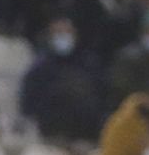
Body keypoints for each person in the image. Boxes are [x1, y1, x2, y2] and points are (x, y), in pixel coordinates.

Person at [20, 17, 104, 145]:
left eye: (67, 33)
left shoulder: (89, 64)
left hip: (86, 136)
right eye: (58, 33)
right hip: (49, 135)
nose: (63, 38)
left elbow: (100, 98)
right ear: (50, 36)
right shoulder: (40, 68)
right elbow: (29, 104)